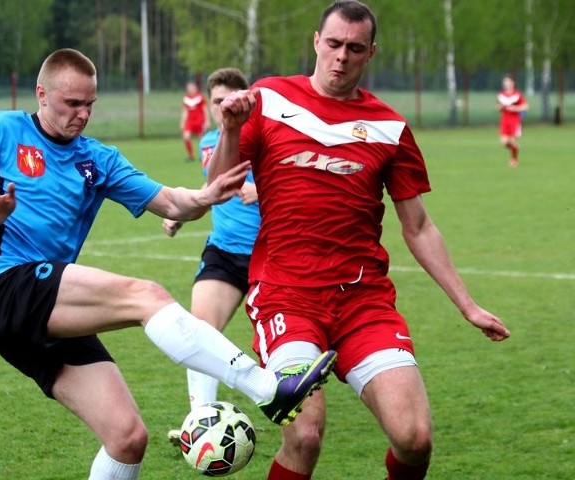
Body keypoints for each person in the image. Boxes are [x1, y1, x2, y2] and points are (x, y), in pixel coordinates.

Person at [0, 48, 337, 480]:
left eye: (90, 104)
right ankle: (268, 390)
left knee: (127, 437)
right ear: (41, 94)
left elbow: (169, 201)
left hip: (47, 307)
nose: (83, 114)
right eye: (72, 104)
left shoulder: (97, 159)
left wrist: (200, 198)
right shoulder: (1, 130)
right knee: (145, 295)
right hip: (3, 285)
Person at [207, 2, 511, 479]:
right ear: (316, 42)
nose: (340, 57)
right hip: (287, 296)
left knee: (415, 439)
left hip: (362, 300)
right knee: (304, 436)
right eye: (332, 44)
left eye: (353, 48)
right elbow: (217, 182)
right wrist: (229, 129)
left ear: (370, 52)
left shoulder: (389, 127)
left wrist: (466, 304)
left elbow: (419, 226)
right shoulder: (268, 99)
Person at [162, 67, 260, 445]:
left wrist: (261, 193)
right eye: (217, 101)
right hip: (224, 251)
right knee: (200, 328)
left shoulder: (267, 139)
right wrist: (179, 218)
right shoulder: (209, 141)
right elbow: (211, 188)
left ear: (246, 101)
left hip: (271, 255)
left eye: (230, 100)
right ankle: (200, 423)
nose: (224, 107)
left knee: (280, 345)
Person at [496, 75, 528, 167]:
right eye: (505, 83)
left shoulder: (517, 94)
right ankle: (516, 149)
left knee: (512, 140)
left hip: (514, 120)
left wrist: (515, 108)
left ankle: (514, 159)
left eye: (509, 82)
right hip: (504, 120)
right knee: (504, 142)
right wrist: (500, 107)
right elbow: (498, 107)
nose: (507, 84)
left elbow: (525, 106)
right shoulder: (501, 95)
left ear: (512, 83)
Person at [180, 80, 210, 161]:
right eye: (189, 88)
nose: (190, 89)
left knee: (202, 139)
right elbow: (185, 111)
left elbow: (205, 110)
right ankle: (191, 155)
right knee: (186, 137)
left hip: (199, 120)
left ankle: (203, 156)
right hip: (190, 121)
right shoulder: (186, 98)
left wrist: (207, 121)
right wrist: (182, 122)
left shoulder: (200, 97)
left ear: (195, 88)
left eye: (192, 87)